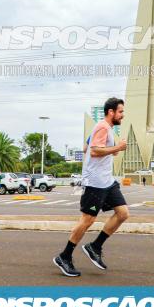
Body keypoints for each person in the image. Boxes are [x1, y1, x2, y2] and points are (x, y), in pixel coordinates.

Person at [53, 97, 129, 277]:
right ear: (111, 112)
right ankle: (65, 256)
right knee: (87, 221)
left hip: (107, 182)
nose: (122, 115)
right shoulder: (102, 126)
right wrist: (117, 147)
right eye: (120, 112)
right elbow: (94, 150)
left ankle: (95, 246)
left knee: (123, 213)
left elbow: (88, 147)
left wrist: (112, 149)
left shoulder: (106, 128)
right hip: (95, 183)